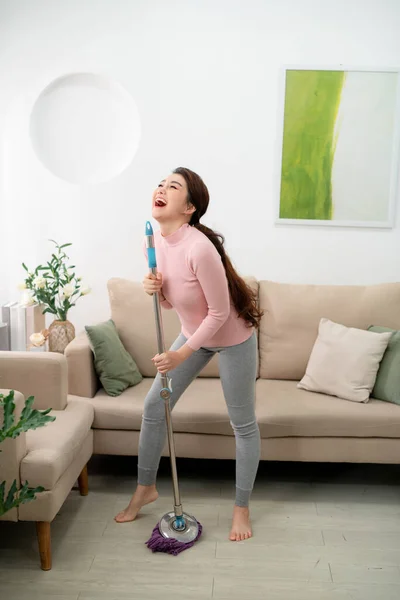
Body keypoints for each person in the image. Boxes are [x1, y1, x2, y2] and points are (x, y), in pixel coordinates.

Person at [115, 167, 262, 541]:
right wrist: (157, 290)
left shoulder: (200, 248)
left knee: (242, 425)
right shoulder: (157, 242)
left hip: (232, 337)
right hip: (193, 332)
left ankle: (241, 508)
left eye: (173, 186)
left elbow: (218, 312)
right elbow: (174, 304)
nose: (162, 188)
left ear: (190, 208)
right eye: (161, 183)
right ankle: (145, 487)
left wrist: (181, 355)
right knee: (153, 407)